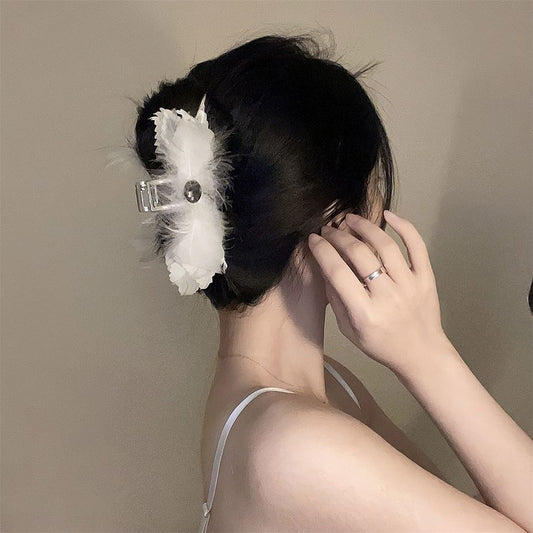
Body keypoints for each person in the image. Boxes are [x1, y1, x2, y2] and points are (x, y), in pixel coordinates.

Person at [130, 32, 532, 532]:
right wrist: (426, 354)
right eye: (372, 186)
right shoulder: (296, 445)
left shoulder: (322, 388)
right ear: (334, 215)